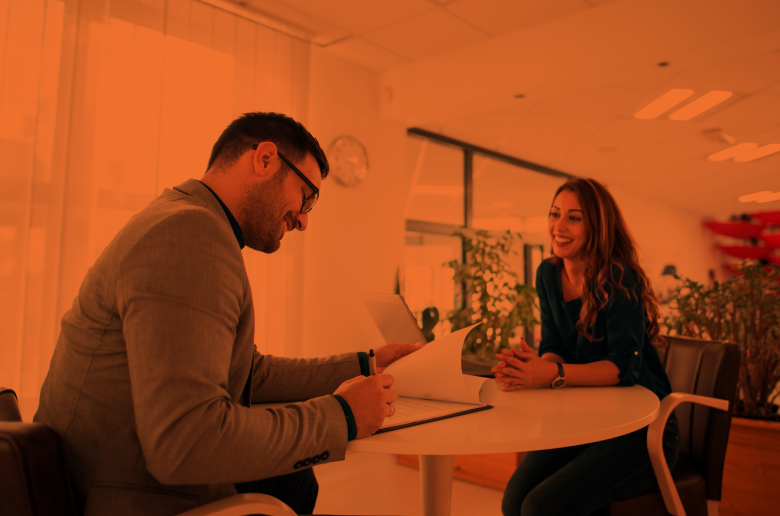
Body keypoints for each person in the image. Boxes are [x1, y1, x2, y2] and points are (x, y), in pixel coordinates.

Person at [34, 112, 420, 516]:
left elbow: (248, 372)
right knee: (294, 481)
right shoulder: (189, 234)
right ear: (265, 159)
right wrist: (342, 415)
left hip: (103, 470)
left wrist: (368, 364)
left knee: (293, 479)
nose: (304, 220)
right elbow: (186, 440)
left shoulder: (183, 218)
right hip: (122, 492)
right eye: (307, 196)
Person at [493, 178, 680, 516]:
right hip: (587, 421)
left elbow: (623, 368)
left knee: (539, 507)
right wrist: (532, 368)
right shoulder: (547, 274)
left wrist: (551, 372)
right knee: (513, 502)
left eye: (574, 218)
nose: (558, 227)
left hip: (642, 430)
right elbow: (554, 346)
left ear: (596, 225)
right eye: (554, 214)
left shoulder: (619, 277)